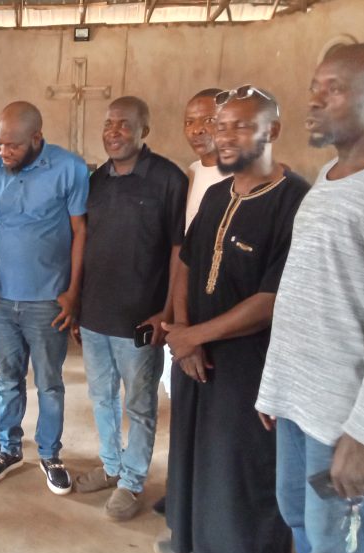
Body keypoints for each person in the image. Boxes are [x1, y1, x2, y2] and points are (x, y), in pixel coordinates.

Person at [159, 86, 309, 553]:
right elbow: (186, 260)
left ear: (273, 131)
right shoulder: (218, 193)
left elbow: (271, 298)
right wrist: (182, 332)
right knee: (198, 459)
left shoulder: (295, 201)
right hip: (195, 355)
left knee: (242, 472)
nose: (223, 137)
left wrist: (196, 336)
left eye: (240, 126)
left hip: (252, 366)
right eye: (220, 126)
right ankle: (202, 549)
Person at [256, 42, 364, 553]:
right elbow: (303, 293)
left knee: (340, 552)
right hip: (297, 404)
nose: (313, 101)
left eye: (332, 89)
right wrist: (275, 385)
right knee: (302, 523)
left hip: (343, 420)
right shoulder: (329, 179)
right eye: (314, 88)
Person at [72, 96, 187, 521]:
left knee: (139, 404)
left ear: (145, 130)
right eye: (108, 124)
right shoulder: (96, 181)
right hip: (96, 314)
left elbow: (179, 249)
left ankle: (132, 481)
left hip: (140, 319)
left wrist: (168, 311)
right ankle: (111, 466)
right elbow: (83, 242)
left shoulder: (168, 180)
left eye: (124, 124)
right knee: (101, 396)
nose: (114, 131)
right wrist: (78, 301)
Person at [0, 101, 89, 495]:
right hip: (2, 299)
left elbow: (80, 234)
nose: (3, 152)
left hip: (47, 301)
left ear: (36, 139)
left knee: (49, 383)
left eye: (12, 146)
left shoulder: (69, 168)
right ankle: (8, 449)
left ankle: (50, 453)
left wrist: (72, 293)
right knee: (8, 379)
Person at [153, 88, 229, 518]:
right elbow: (182, 252)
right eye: (190, 121)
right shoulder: (191, 175)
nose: (198, 130)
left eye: (209, 120)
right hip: (189, 312)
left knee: (219, 421)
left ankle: (209, 504)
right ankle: (182, 493)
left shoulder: (260, 180)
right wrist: (177, 324)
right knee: (185, 412)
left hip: (225, 316)